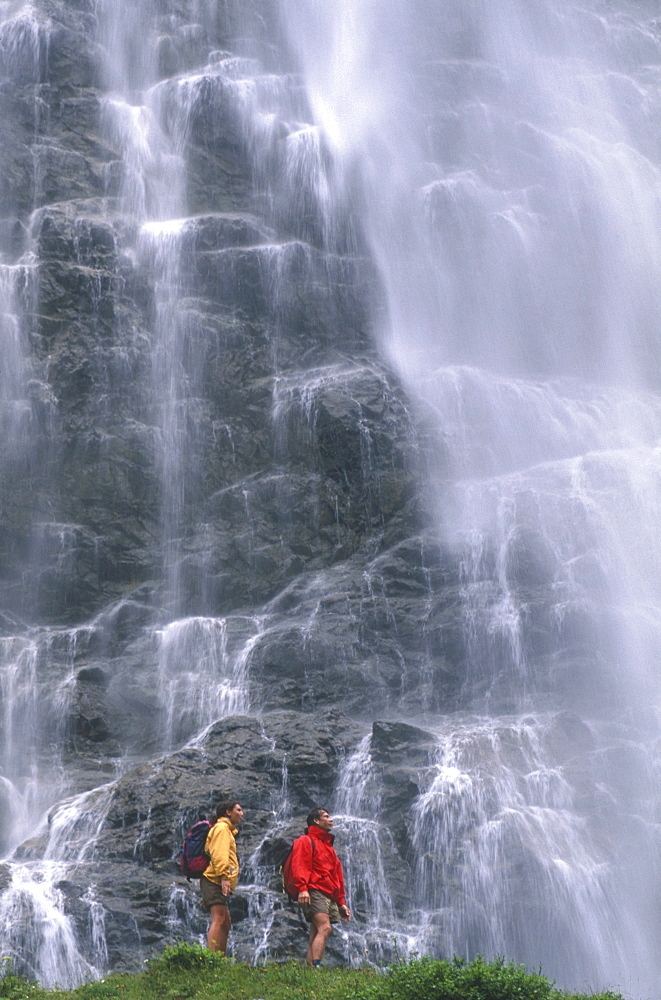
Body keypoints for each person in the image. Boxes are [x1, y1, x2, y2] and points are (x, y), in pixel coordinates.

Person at [289, 807, 351, 967]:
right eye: (326, 816)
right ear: (316, 821)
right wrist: (302, 888)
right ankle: (316, 966)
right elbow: (299, 864)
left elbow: (337, 876)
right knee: (325, 927)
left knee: (316, 931)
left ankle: (310, 970)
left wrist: (341, 902)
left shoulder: (329, 848)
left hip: (328, 894)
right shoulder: (305, 840)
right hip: (313, 890)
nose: (331, 820)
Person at [200, 799, 244, 953]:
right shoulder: (222, 828)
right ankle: (210, 960)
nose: (242, 814)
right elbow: (219, 855)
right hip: (216, 879)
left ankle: (220, 958)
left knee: (225, 923)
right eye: (238, 810)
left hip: (215, 880)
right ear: (228, 812)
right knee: (219, 919)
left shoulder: (226, 830)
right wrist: (224, 878)